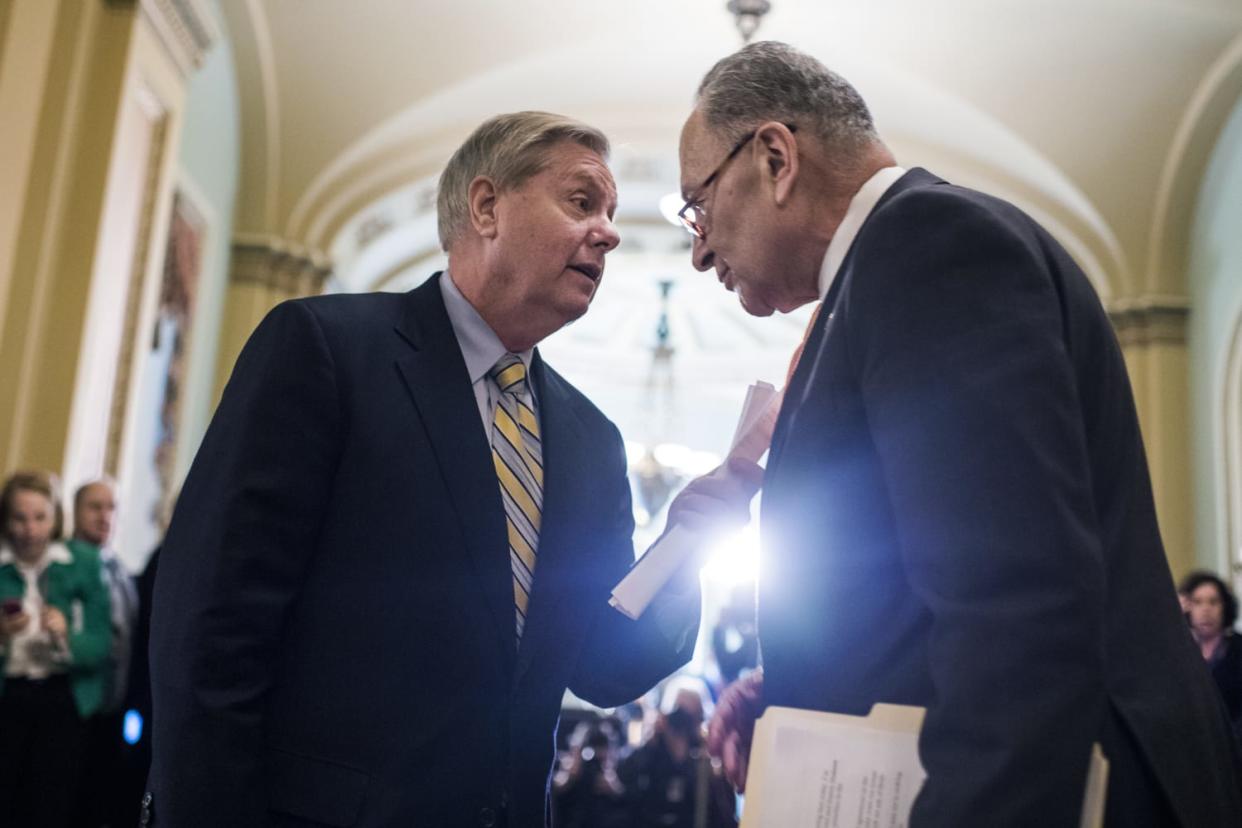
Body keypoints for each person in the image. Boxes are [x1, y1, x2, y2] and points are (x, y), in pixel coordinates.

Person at [678, 41, 1242, 826]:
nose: (699, 248)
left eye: (699, 206)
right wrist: (802, 696)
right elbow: (930, 571)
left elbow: (1018, 609)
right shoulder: (884, 273)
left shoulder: (930, 248)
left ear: (775, 157)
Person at [147, 111, 759, 828]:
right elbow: (212, 625)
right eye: (582, 202)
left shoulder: (592, 440)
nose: (610, 232)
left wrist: (690, 537)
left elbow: (603, 662)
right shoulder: (326, 352)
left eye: (612, 213)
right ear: (487, 206)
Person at [0, 471, 111, 828]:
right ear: (6, 519)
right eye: (20, 518)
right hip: (8, 696)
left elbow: (100, 644)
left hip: (62, 699)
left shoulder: (81, 563)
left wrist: (66, 636)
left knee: (50, 806)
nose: (30, 529)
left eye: (40, 517)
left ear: (56, 518)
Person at [68, 477, 139, 827]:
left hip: (111, 710)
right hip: (70, 707)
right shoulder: (62, 564)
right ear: (76, 511)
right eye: (95, 506)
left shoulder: (120, 572)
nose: (104, 515)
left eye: (111, 507)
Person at [1178, 570, 1242, 747]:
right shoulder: (1180, 652)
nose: (1206, 610)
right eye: (1197, 602)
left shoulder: (1238, 649)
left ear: (1225, 606)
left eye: (1213, 602)